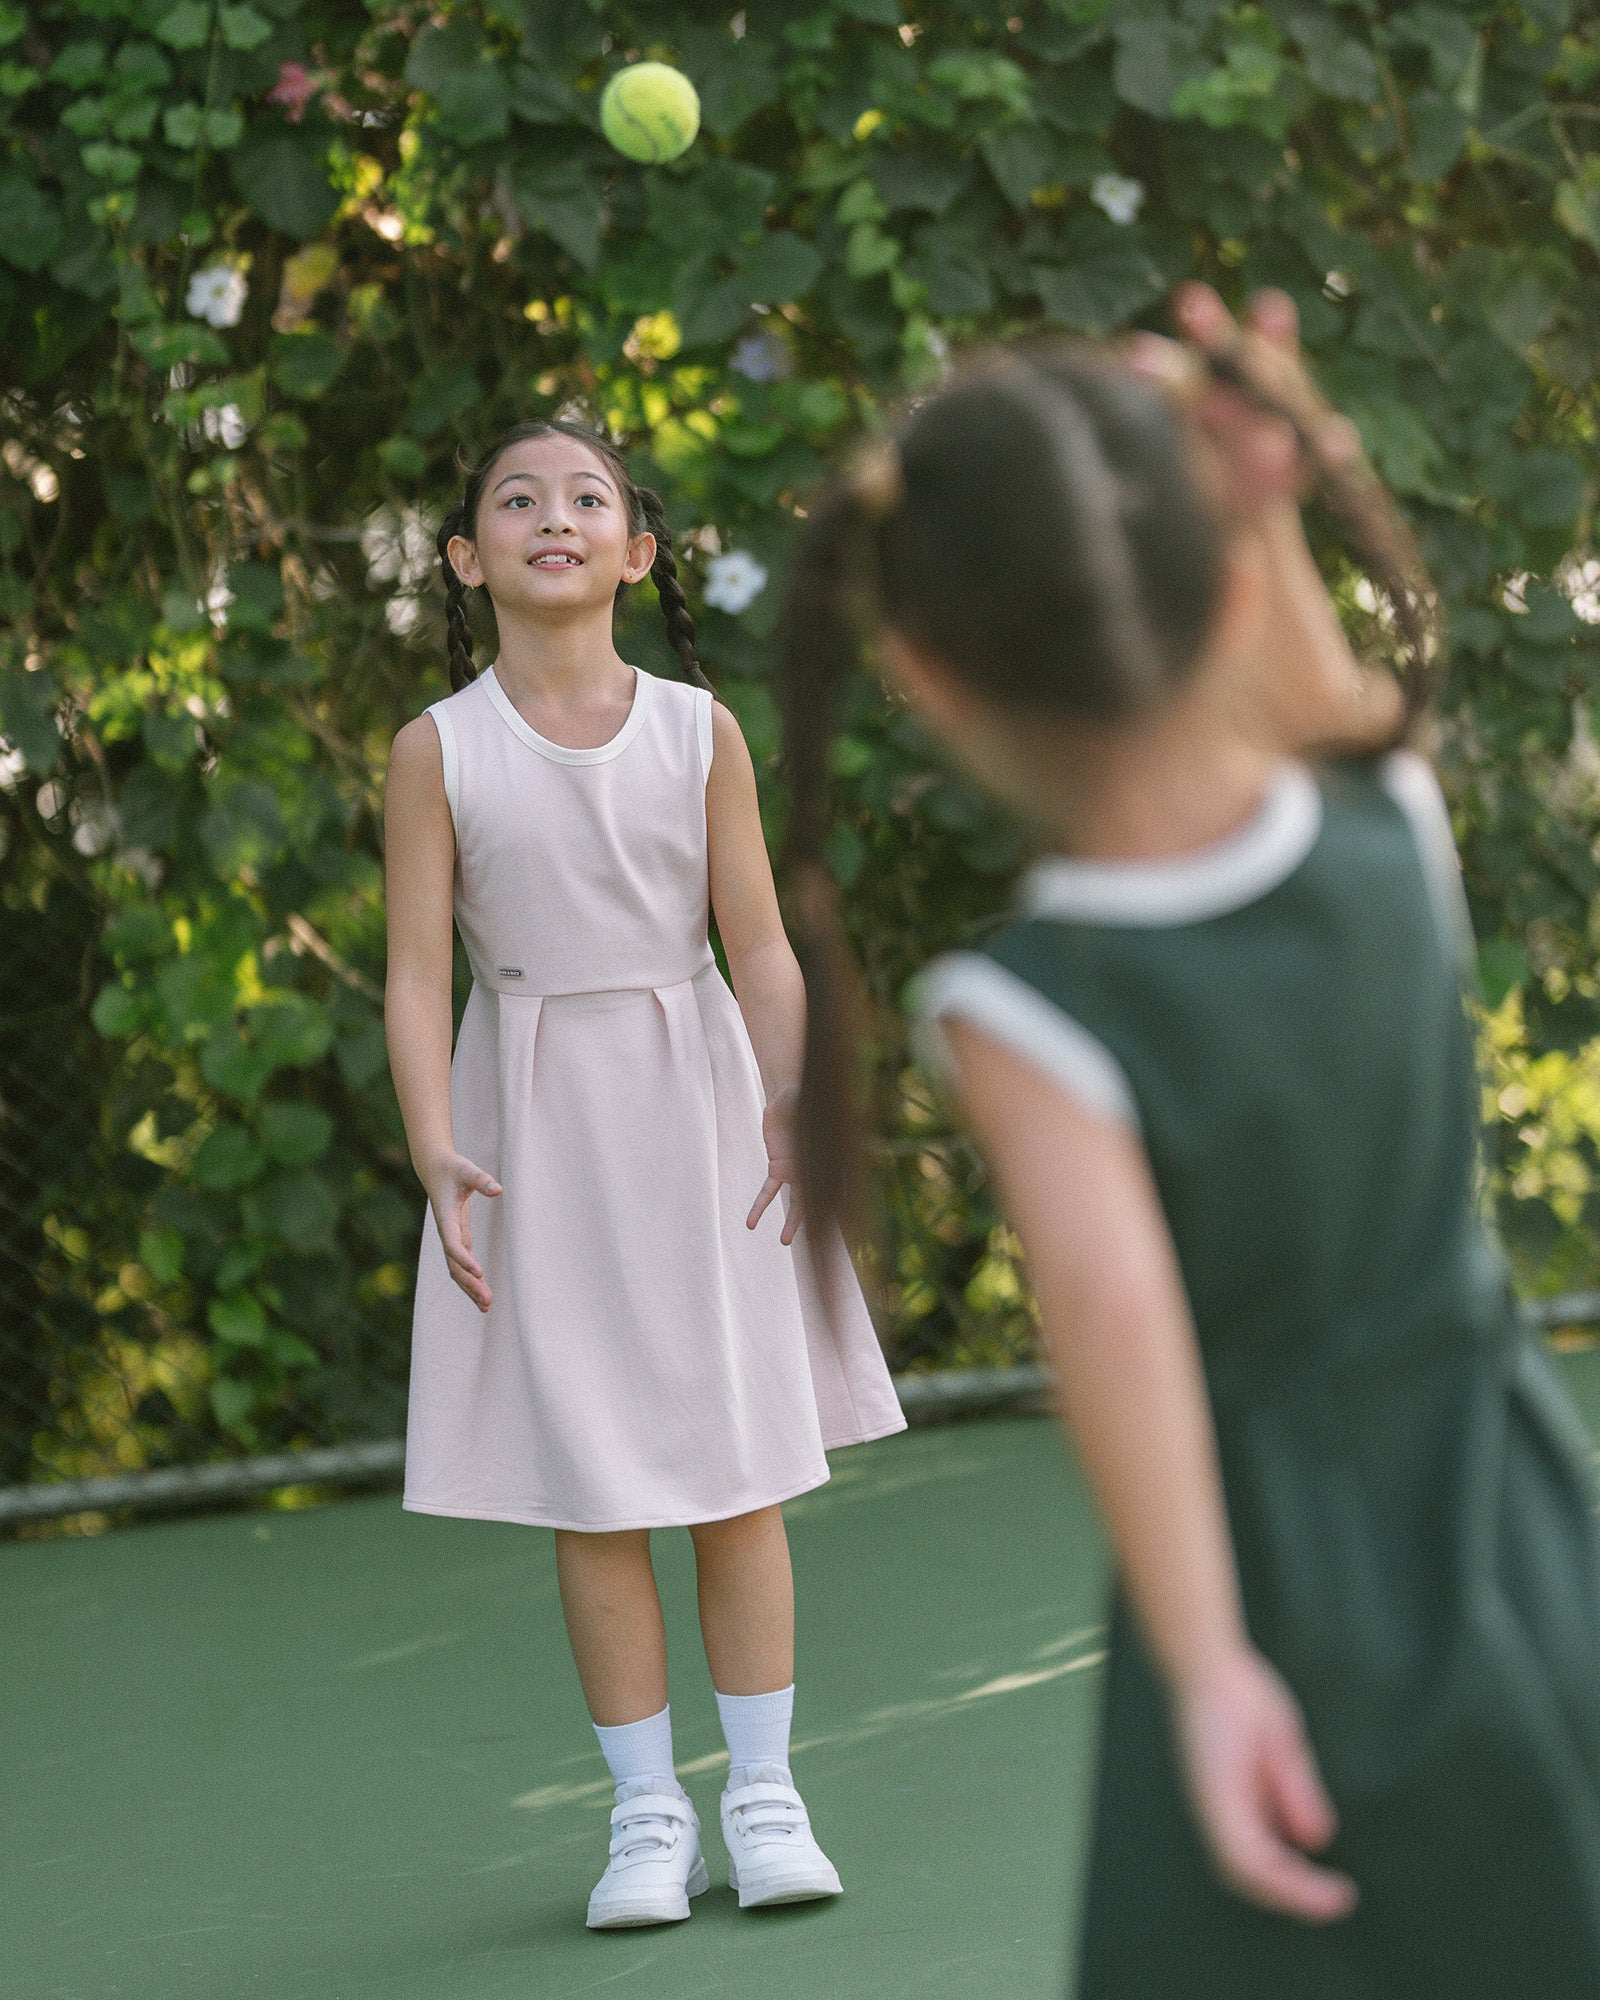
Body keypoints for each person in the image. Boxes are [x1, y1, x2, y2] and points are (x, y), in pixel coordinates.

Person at [771, 285, 1600, 1996]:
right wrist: (1277, 498)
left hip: (1295, 1589)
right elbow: (1333, 701)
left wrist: (1213, 1661)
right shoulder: (1395, 824)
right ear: (1227, 582)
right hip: (1528, 1528)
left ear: (920, 676)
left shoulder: (1035, 1003)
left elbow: (1119, 1322)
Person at [382, 418, 905, 1931]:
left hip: (705, 1122)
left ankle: (765, 1795)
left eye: (588, 497)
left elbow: (761, 939)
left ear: (638, 552)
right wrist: (436, 1141)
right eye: (518, 500)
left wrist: (791, 1100)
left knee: (739, 1476)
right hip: (534, 1135)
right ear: (469, 560)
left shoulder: (700, 732)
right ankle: (645, 1819)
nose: (556, 516)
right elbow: (419, 979)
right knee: (595, 1493)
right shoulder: (438, 749)